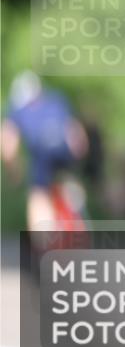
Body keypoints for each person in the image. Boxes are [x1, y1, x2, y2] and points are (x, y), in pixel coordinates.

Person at [1, 71, 89, 235]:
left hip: (41, 153)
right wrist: (79, 160)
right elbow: (76, 134)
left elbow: (8, 142)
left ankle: (43, 240)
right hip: (64, 151)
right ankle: (77, 220)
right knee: (69, 183)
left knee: (38, 194)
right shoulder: (57, 101)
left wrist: (13, 170)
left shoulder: (19, 109)